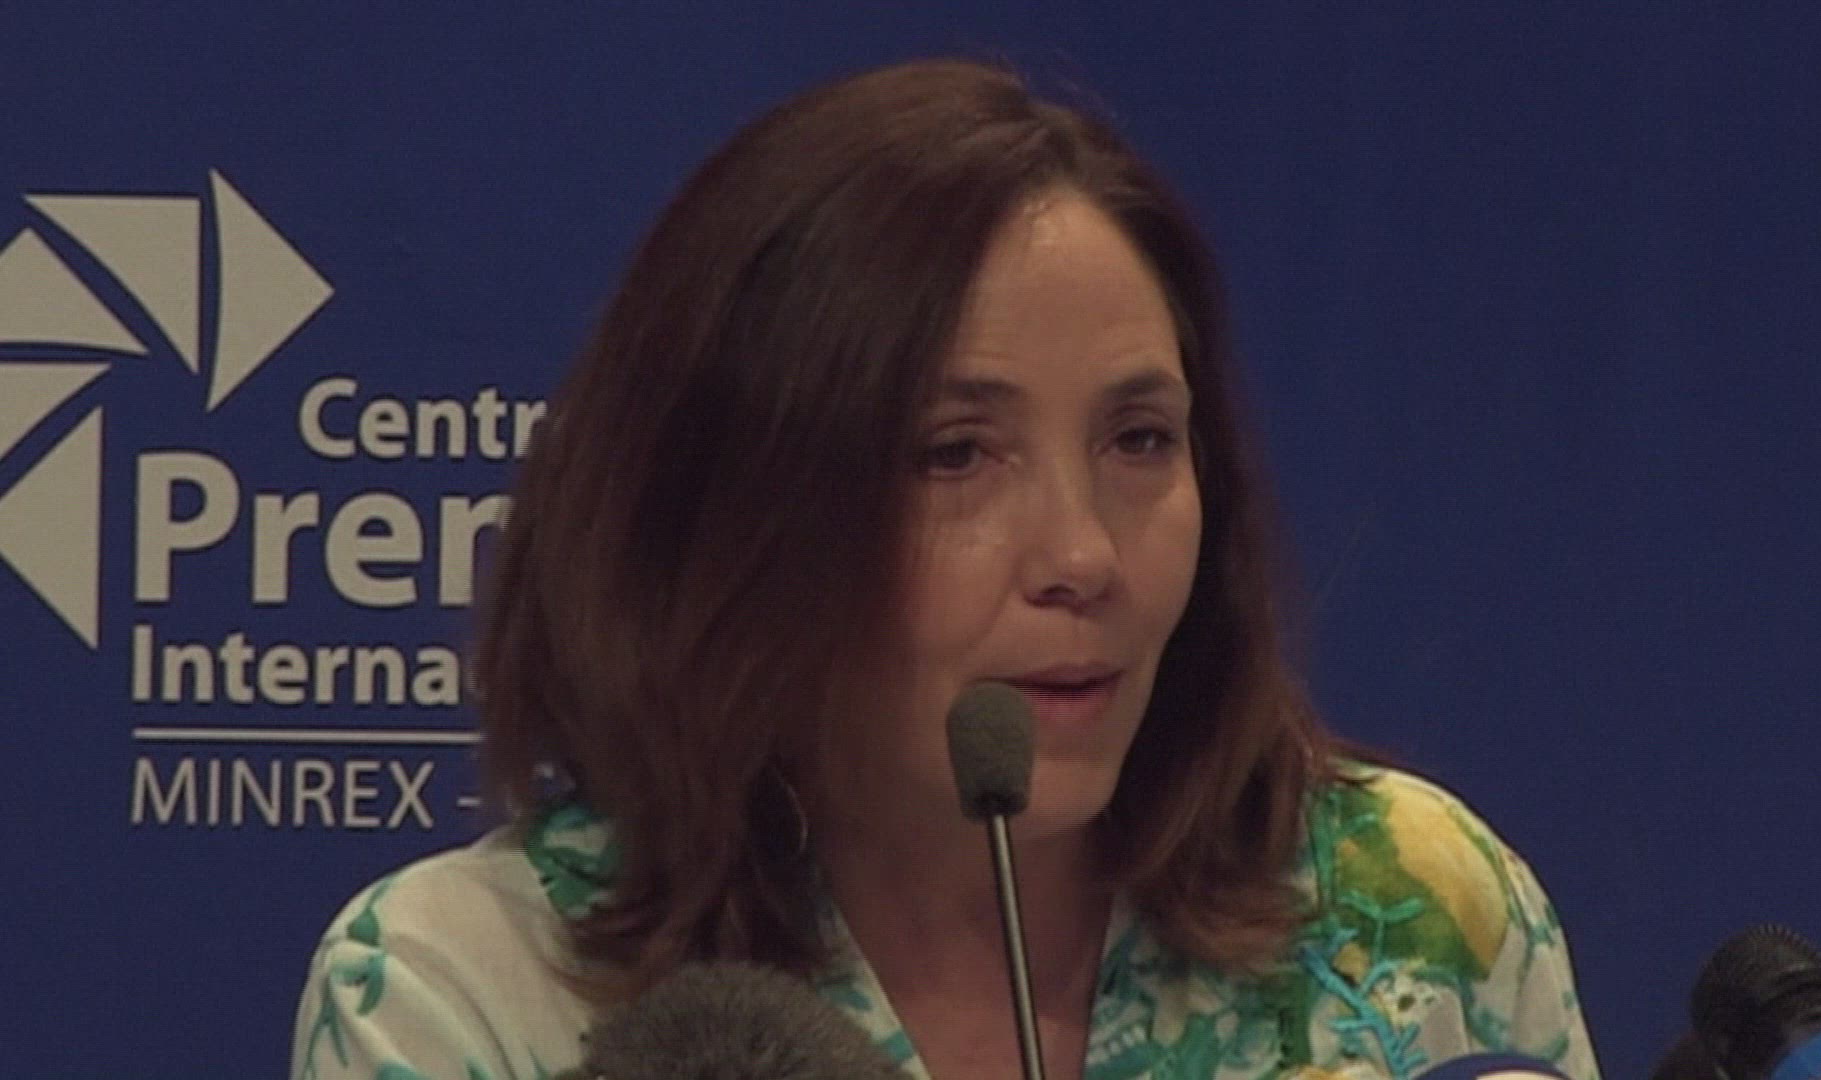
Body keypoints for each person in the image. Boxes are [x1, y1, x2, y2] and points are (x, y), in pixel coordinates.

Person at [292, 58, 1599, 1080]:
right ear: (739, 511)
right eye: (955, 455)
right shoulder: (475, 989)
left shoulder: (1409, 905)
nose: (1082, 555)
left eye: (1140, 440)